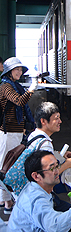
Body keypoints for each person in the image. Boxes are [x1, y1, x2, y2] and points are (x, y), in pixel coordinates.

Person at [0, 57, 37, 213]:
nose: (20, 72)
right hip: (8, 134)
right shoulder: (6, 86)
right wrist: (31, 89)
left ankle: (4, 200)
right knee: (6, 168)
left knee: (8, 166)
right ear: (9, 71)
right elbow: (19, 102)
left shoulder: (14, 85)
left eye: (21, 70)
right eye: (17, 69)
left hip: (14, 133)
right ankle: (8, 203)